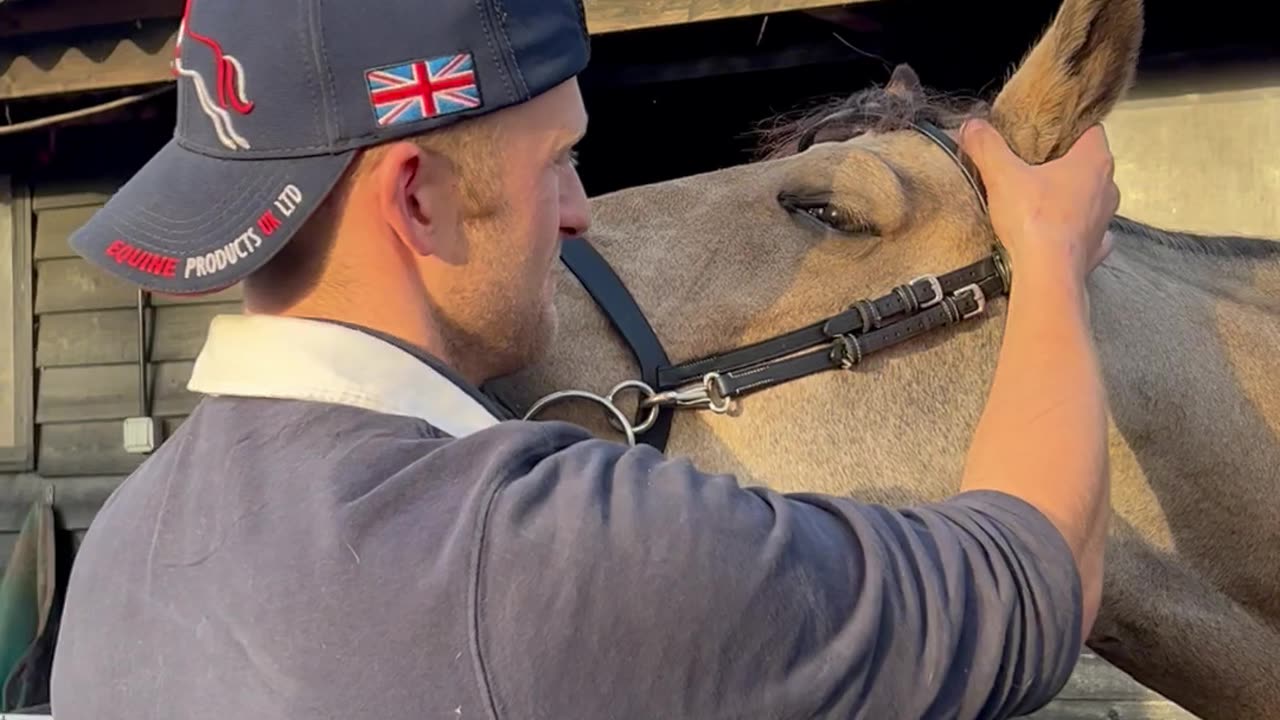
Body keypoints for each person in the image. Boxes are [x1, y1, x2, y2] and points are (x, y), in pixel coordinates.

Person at [49, 0, 1117, 717]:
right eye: (559, 161)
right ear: (414, 195)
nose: (576, 215)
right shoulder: (535, 555)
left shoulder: (123, 550)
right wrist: (1050, 259)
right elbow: (1031, 584)